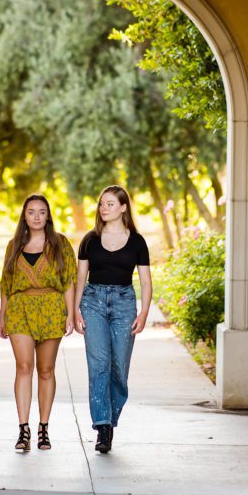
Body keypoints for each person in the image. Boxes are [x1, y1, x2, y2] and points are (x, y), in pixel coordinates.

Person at [73, 185, 152, 453]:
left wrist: (144, 312)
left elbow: (145, 281)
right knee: (99, 366)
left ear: (123, 208)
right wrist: (75, 310)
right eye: (101, 204)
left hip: (124, 304)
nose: (103, 208)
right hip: (92, 303)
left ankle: (110, 418)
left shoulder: (138, 242)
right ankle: (102, 427)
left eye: (109, 204)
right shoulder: (89, 240)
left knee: (119, 369)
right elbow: (79, 279)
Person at [0, 195, 77, 452]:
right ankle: (23, 429)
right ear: (24, 215)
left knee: (46, 370)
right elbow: (6, 284)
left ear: (48, 216)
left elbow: (68, 281)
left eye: (41, 212)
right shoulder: (14, 246)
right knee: (23, 367)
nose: (36, 216)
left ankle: (44, 427)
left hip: (52, 308)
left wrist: (70, 313)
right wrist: (2, 316)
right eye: (31, 212)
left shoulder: (60, 244)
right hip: (20, 309)